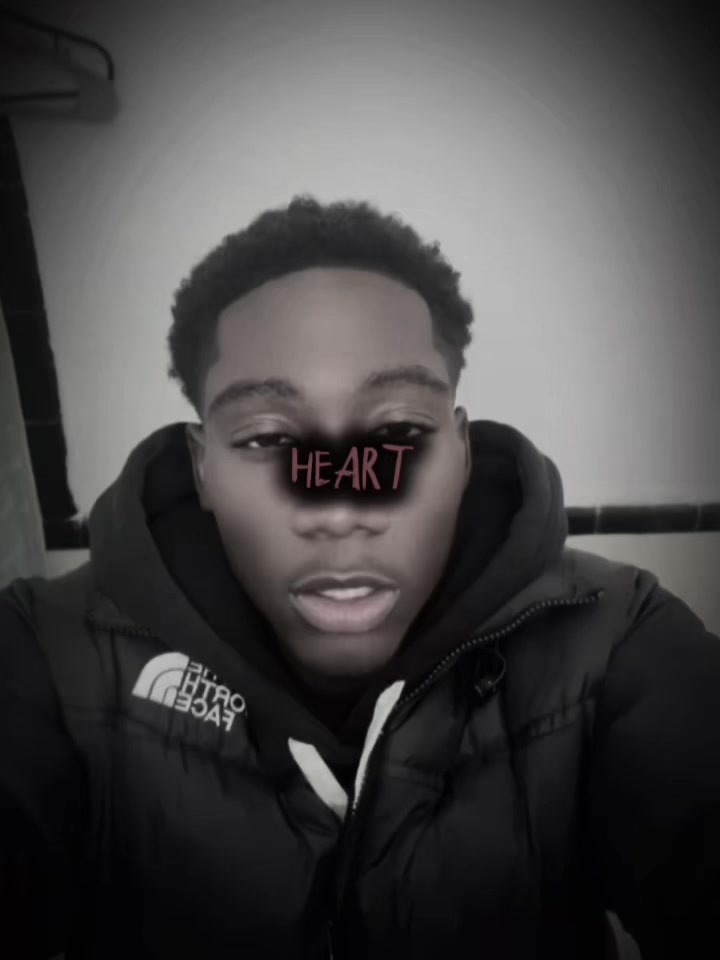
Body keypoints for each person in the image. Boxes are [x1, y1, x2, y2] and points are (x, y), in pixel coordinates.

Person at [1, 195, 718, 960]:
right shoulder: (45, 653)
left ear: (462, 450)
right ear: (202, 467)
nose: (340, 509)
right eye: (269, 439)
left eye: (399, 432)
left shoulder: (616, 637)